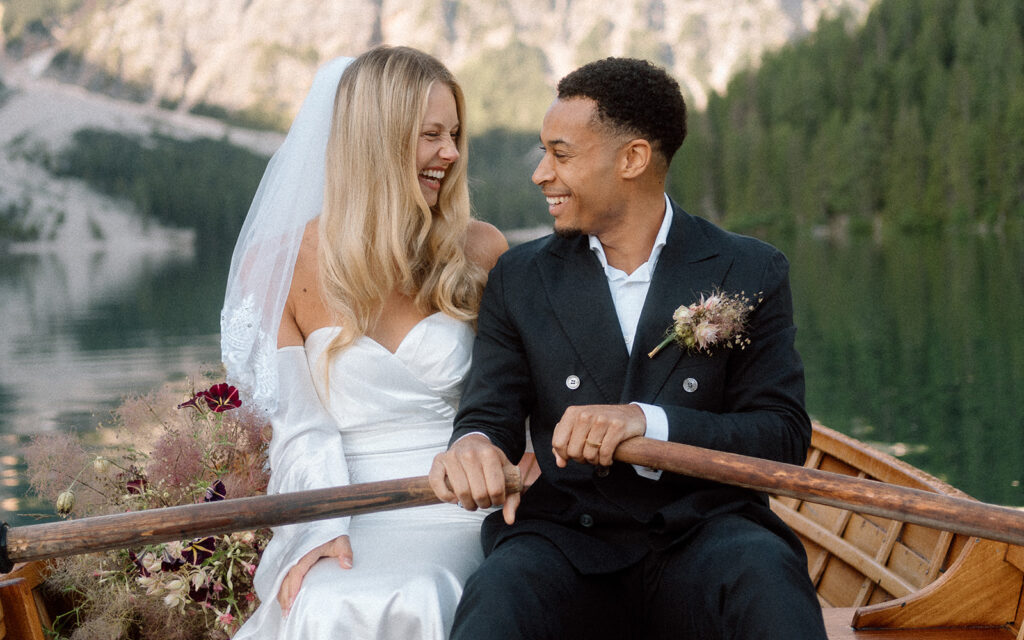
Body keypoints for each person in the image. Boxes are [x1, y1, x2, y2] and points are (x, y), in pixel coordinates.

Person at [429, 57, 828, 639]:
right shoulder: (519, 277)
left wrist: (647, 422)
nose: (541, 174)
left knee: (767, 579)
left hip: (706, 534)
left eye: (560, 155)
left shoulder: (750, 268)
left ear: (633, 159)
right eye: (544, 154)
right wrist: (472, 447)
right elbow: (488, 416)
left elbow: (782, 437)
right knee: (497, 596)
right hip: (563, 542)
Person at [221, 46, 509, 639]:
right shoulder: (278, 265)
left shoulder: (479, 251)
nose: (451, 155)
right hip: (344, 501)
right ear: (375, 139)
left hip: (461, 498)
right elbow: (300, 428)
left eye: (454, 134)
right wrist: (317, 527)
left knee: (425, 590)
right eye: (431, 135)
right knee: (327, 603)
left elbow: (516, 393)